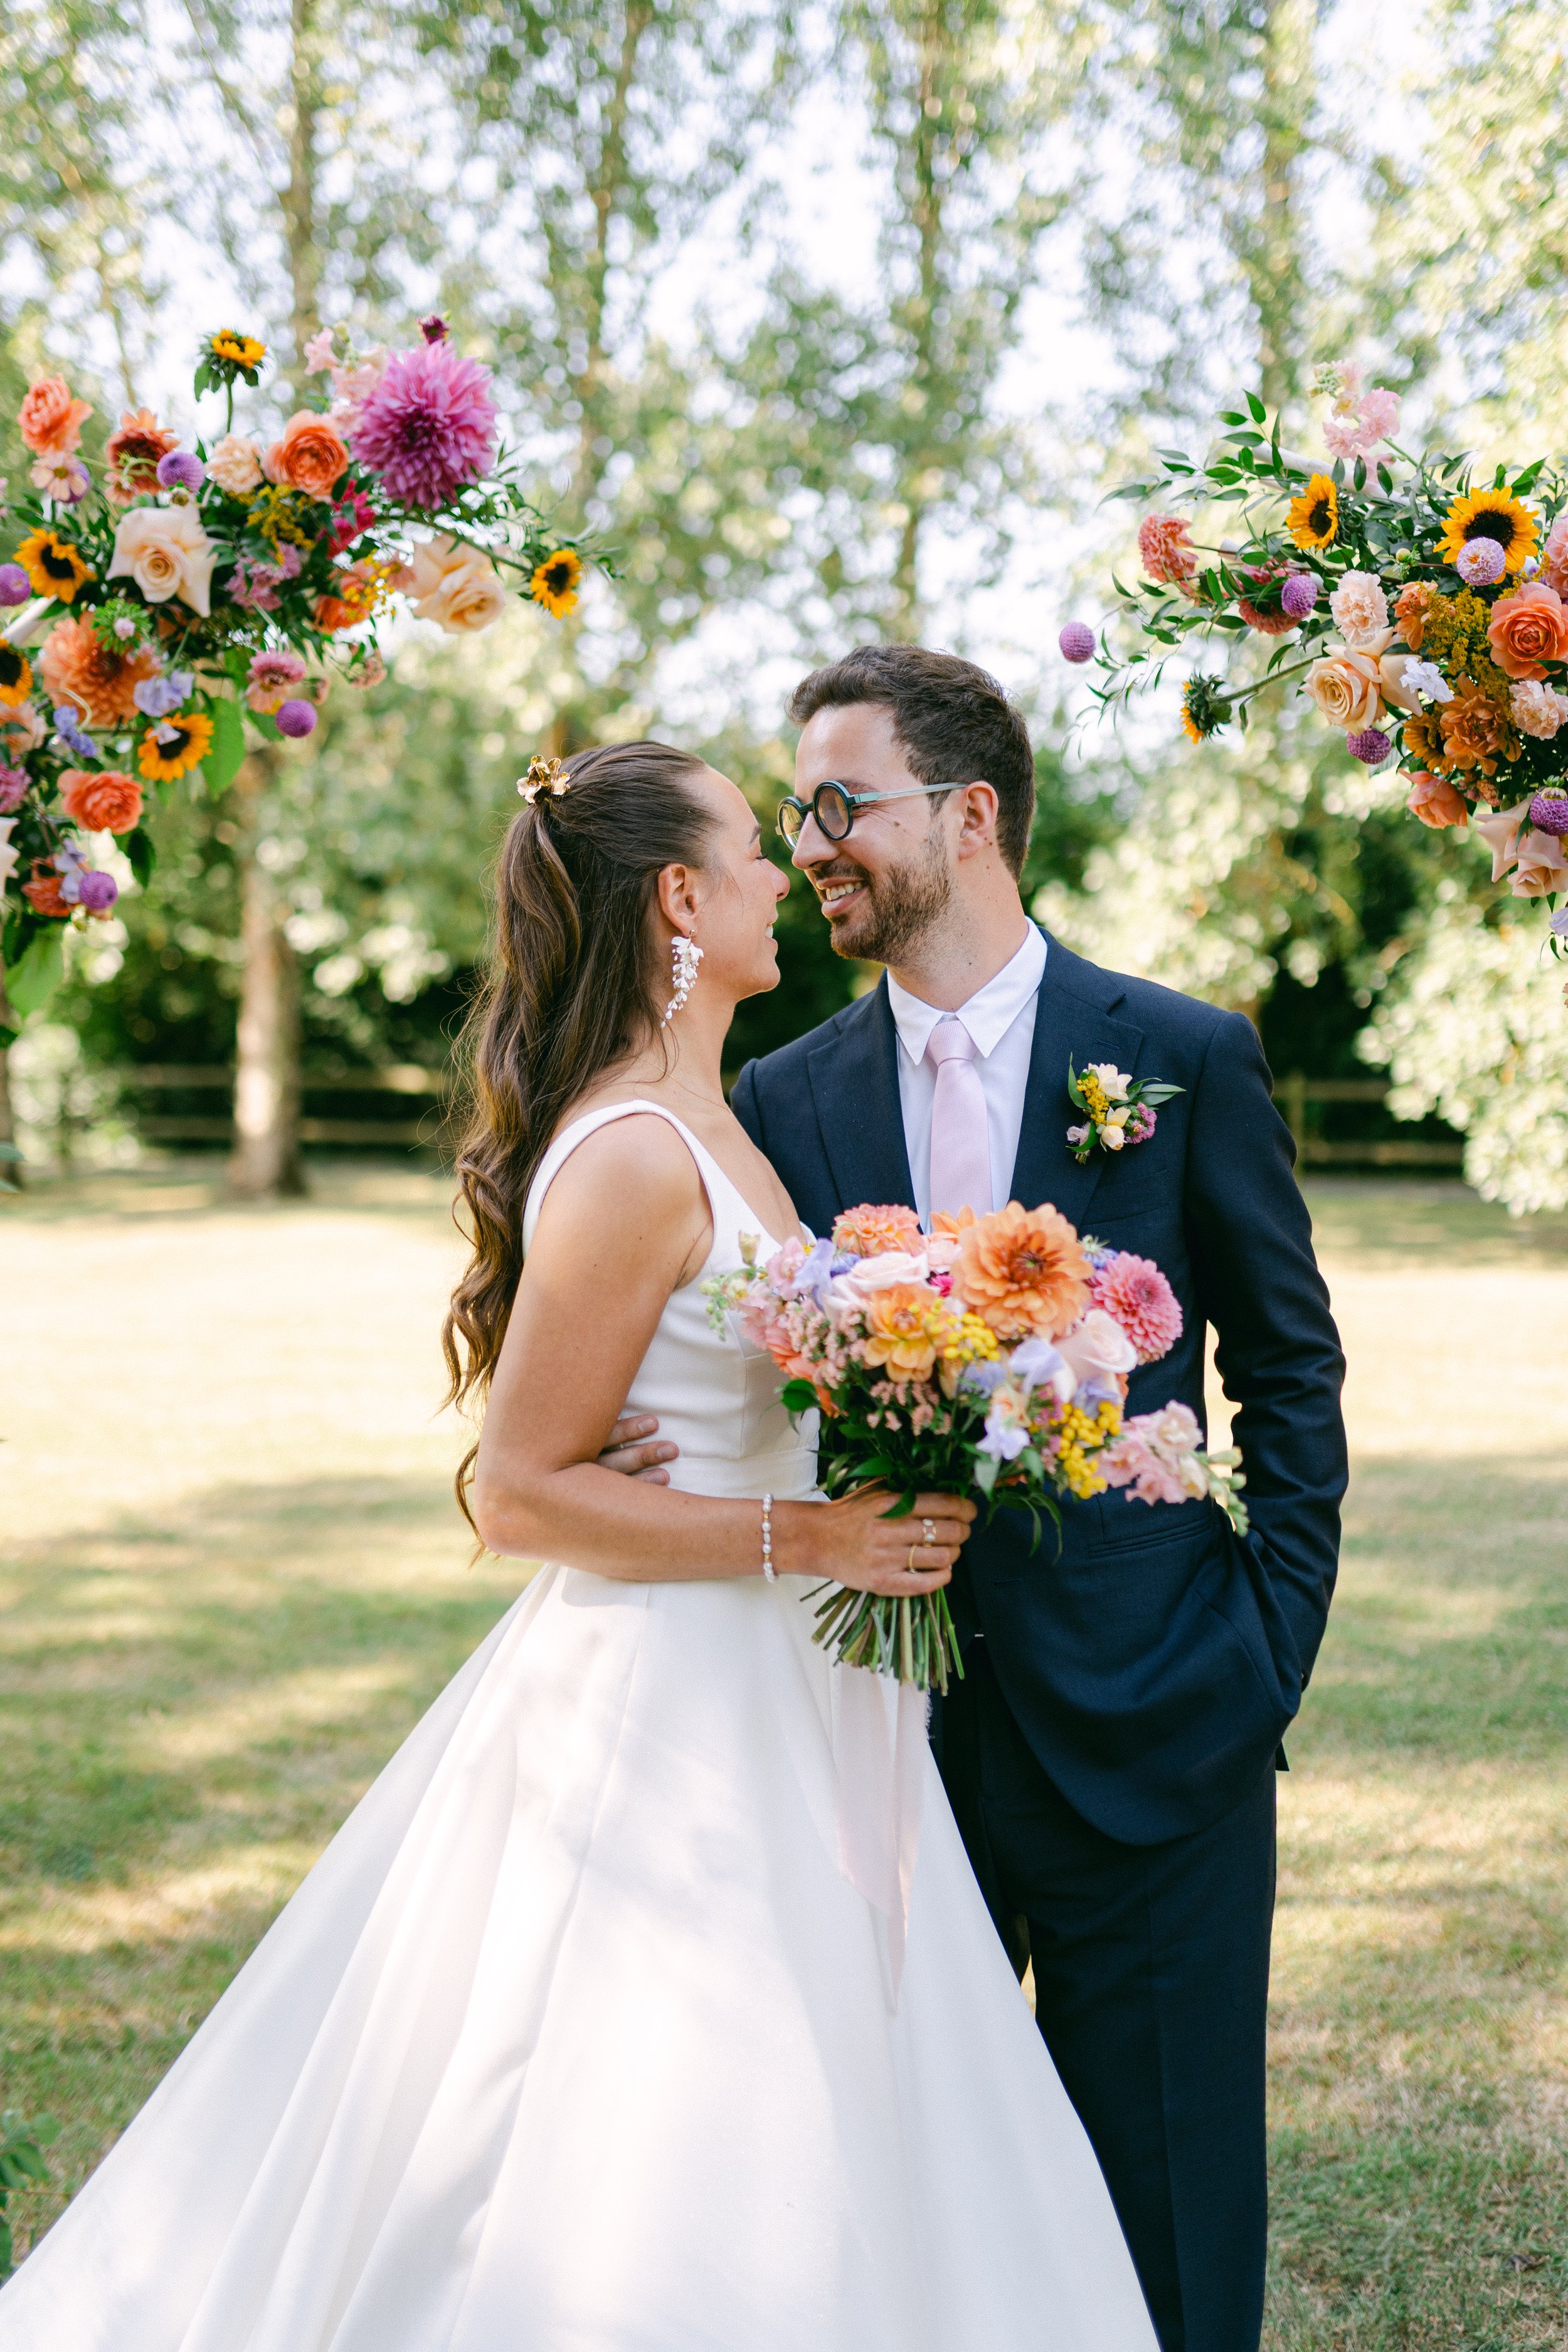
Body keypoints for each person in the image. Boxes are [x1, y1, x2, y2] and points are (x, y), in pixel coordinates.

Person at [0, 739, 1158, 2352]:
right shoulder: (632, 1149)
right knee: (658, 2109)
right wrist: (810, 1526)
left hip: (781, 1673)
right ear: (680, 897)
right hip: (673, 1702)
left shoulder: (713, 1117)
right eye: (753, 851)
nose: (780, 876)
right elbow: (521, 1490)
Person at [722, 647, 1349, 2352]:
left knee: (1167, 2199)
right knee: (903, 2197)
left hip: (1162, 1714)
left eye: (840, 802)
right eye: (798, 809)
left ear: (969, 812)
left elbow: (1290, 1373)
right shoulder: (777, 1098)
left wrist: (1262, 1649)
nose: (811, 840)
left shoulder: (1181, 1054)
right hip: (886, 1735)